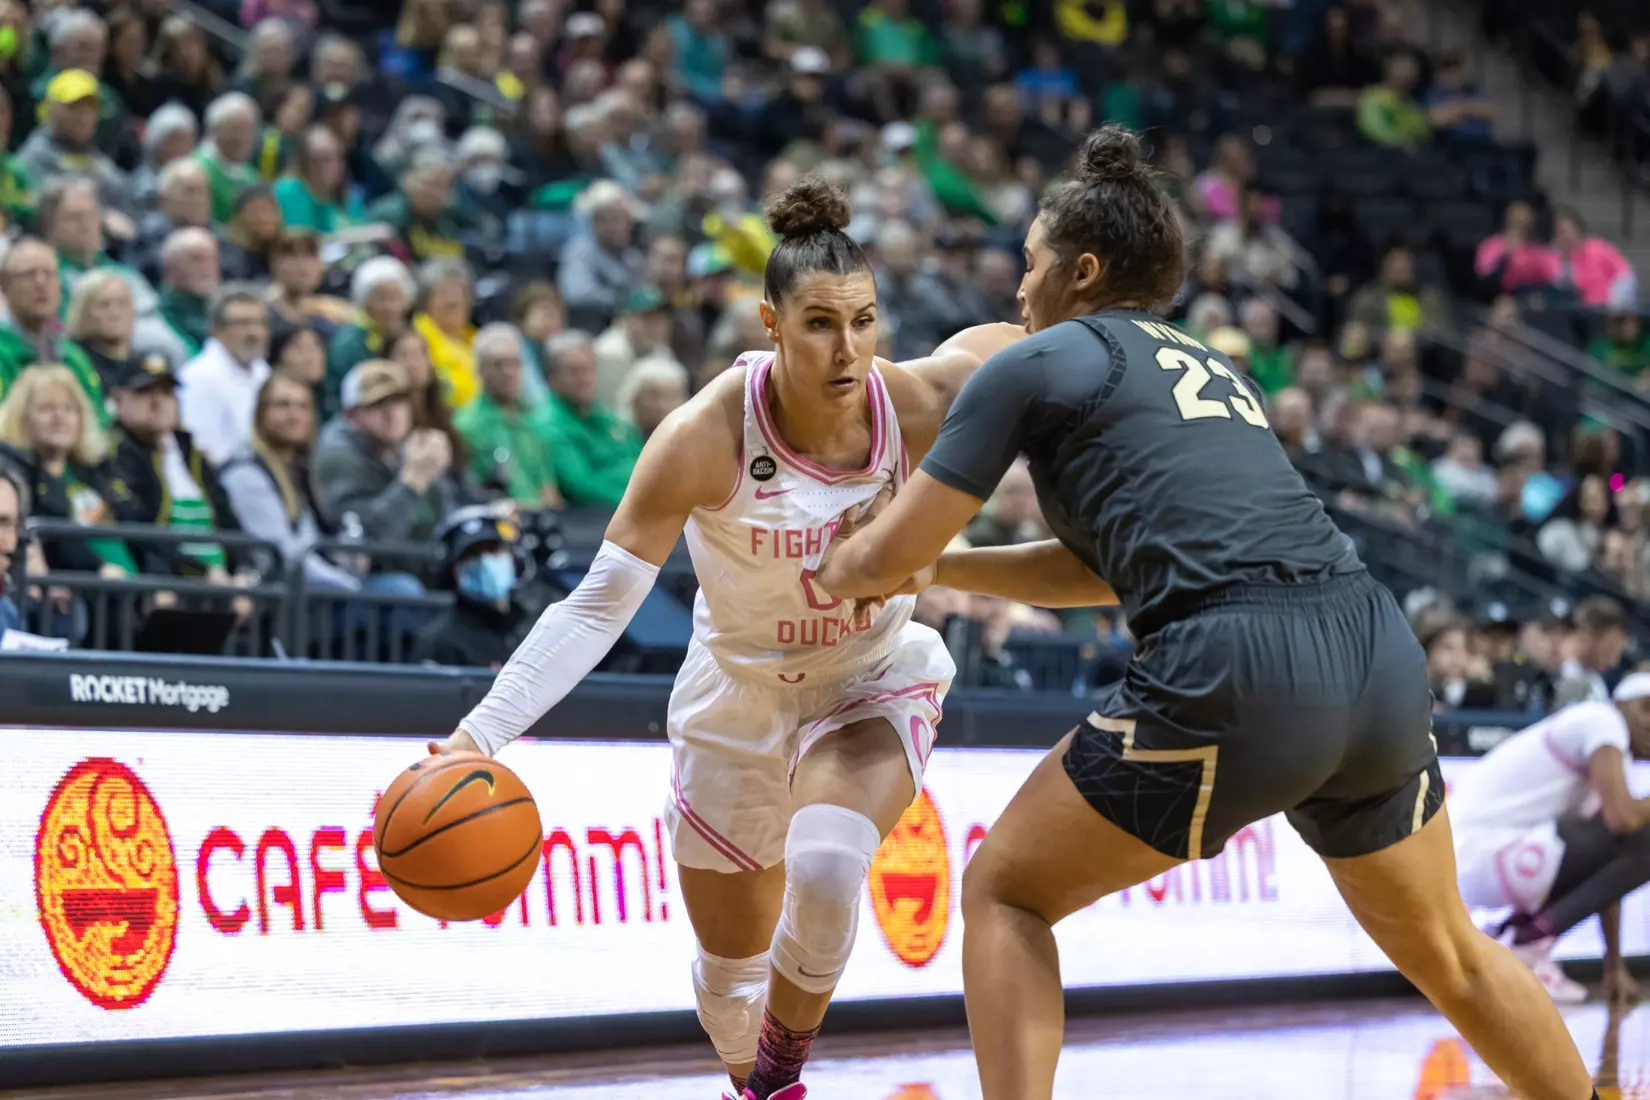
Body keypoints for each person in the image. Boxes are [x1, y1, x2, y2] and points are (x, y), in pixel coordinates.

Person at [809, 126, 1599, 1100]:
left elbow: (881, 553)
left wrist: (841, 562)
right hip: (1374, 650)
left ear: (1082, 269)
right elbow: (1110, 570)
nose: (1018, 290)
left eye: (1030, 264)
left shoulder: (1034, 358)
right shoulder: (1216, 369)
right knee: (1453, 950)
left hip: (1240, 664)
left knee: (1006, 889)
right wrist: (956, 567)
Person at [430, 177, 1022, 1100]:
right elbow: (595, 605)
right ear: (770, 322)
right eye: (821, 322)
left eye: (864, 320)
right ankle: (762, 1081)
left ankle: (776, 1079)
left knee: (828, 863)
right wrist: (480, 734)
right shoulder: (705, 433)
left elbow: (1054, 342)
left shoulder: (919, 401)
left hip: (867, 674)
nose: (848, 347)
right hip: (739, 691)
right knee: (727, 984)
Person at [1453, 676, 1650, 1008]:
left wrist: (1613, 965)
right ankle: (1525, 943)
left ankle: (1514, 935)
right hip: (1481, 854)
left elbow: (1609, 877)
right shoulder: (1602, 720)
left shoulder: (1603, 755)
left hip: (1482, 862)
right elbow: (1623, 818)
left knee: (1631, 840)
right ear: (1620, 705)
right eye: (1646, 708)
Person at [410, 505, 533, 666]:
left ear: (513, 558)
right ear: (454, 571)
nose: (485, 561)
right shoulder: (439, 642)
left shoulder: (533, 627)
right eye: (473, 555)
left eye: (493, 550)